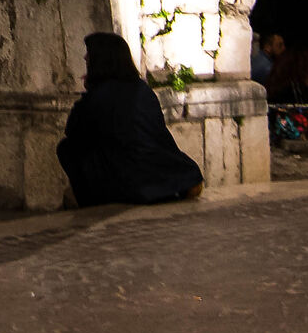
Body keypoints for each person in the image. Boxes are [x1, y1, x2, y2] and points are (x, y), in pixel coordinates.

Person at [55, 33, 206, 207]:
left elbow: (74, 131)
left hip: (129, 178)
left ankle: (95, 199)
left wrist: (89, 90)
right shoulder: (143, 89)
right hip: (170, 171)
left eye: (90, 53)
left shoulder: (99, 96)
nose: (85, 57)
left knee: (67, 148)